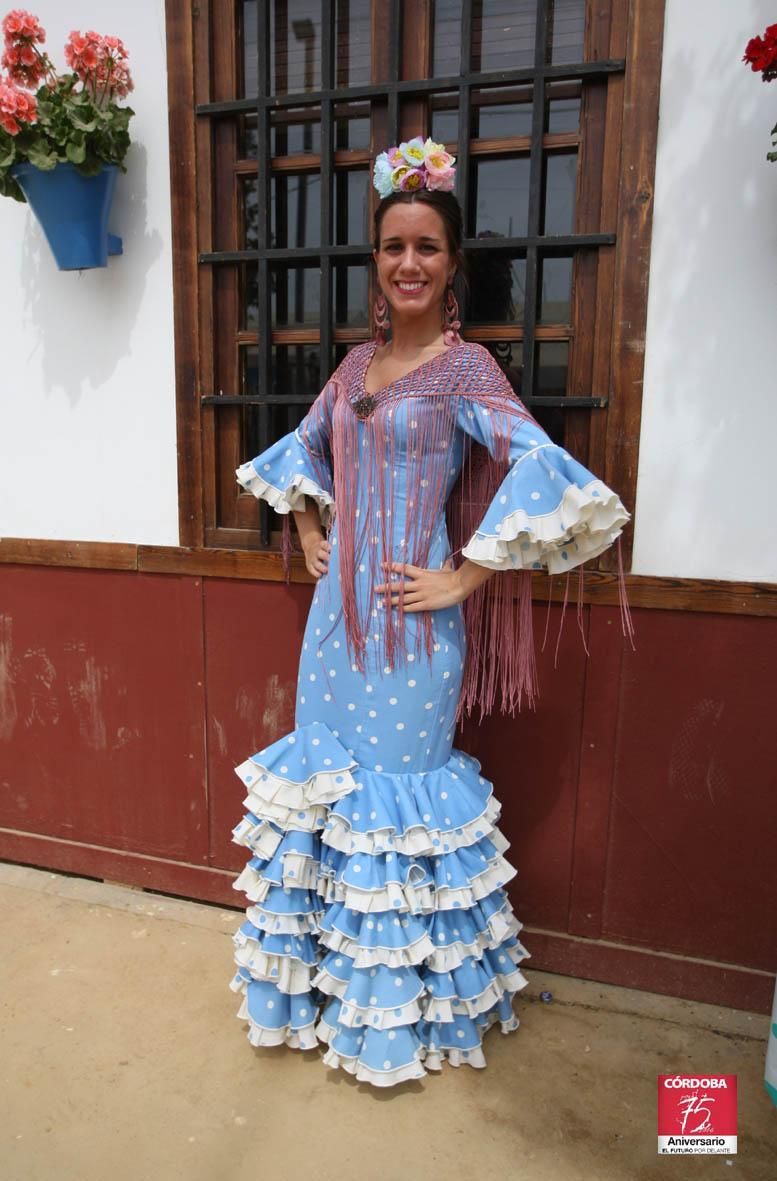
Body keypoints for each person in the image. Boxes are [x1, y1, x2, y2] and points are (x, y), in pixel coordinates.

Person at [228, 137, 631, 1088]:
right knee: (330, 803)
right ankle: (329, 997)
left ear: (452, 266)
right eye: (393, 246)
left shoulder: (467, 370)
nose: (408, 262)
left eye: (428, 248)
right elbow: (302, 448)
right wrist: (309, 516)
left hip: (415, 634)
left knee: (396, 814)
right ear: (376, 260)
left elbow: (544, 469)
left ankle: (399, 1018)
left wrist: (466, 576)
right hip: (333, 631)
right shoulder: (353, 366)